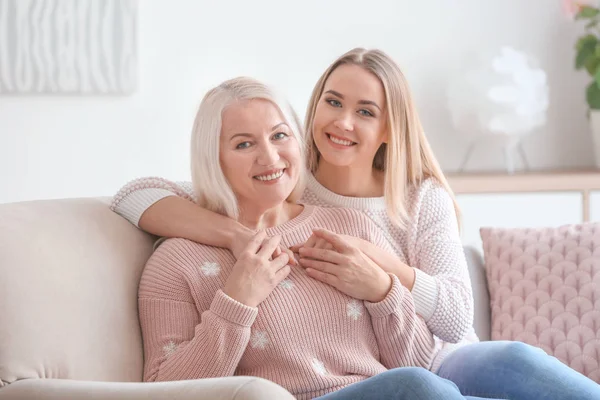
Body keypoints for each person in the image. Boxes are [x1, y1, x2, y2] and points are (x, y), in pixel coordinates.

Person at [115, 50, 600, 399]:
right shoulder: (260, 195)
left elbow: (452, 320)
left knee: (508, 361)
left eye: (365, 111)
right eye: (333, 102)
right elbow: (136, 194)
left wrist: (385, 279)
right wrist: (239, 254)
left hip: (435, 358)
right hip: (393, 384)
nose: (343, 122)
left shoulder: (402, 202)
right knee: (418, 387)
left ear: (389, 128)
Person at [137, 76, 490, 400]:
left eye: (279, 136)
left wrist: (382, 291)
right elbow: (165, 390)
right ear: (213, 159)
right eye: (244, 144)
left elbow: (419, 362)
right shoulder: (175, 261)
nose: (270, 157)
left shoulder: (349, 226)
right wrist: (236, 300)